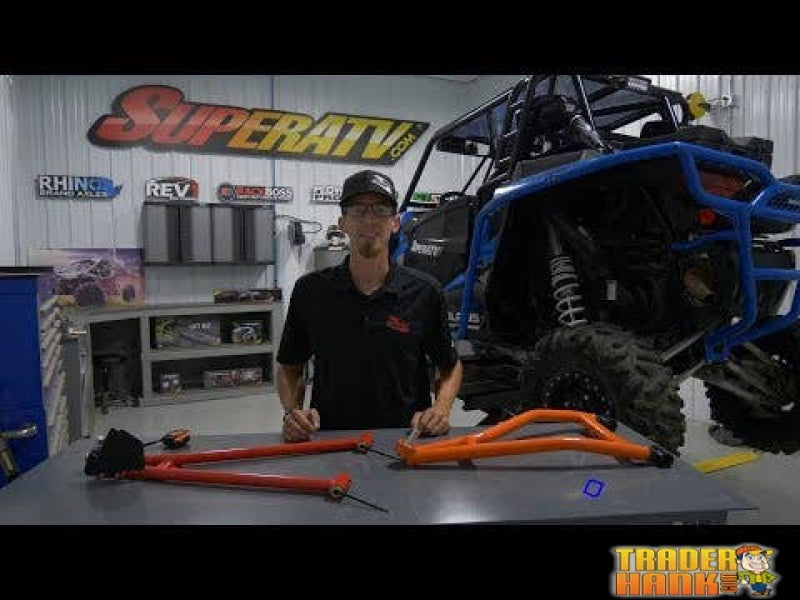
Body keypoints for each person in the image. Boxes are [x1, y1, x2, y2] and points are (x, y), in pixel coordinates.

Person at [276, 169, 463, 442]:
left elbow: (450, 366)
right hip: (331, 442)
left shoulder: (425, 292)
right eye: (357, 210)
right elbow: (289, 367)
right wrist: (292, 413)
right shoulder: (311, 291)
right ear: (342, 223)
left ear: (395, 222)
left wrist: (441, 410)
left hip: (407, 441)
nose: (369, 220)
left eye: (380, 210)